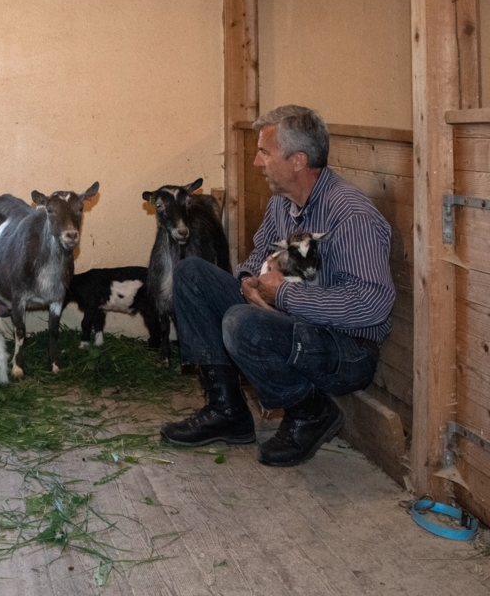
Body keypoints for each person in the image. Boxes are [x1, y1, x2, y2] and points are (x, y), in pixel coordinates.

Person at [159, 105, 395, 467]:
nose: (257, 162)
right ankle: (228, 412)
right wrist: (248, 282)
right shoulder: (281, 204)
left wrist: (283, 295)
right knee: (191, 273)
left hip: (345, 348)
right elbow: (258, 257)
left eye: (265, 152)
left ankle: (309, 412)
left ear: (298, 160)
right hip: (292, 323)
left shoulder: (351, 215)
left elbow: (371, 304)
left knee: (241, 322)